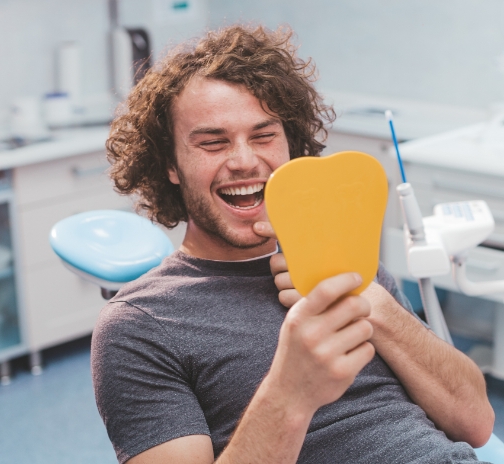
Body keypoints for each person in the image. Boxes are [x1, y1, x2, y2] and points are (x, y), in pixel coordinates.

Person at [91, 25, 494, 464]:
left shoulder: (344, 260)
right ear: (170, 163)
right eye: (213, 142)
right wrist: (292, 392)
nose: (245, 161)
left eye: (264, 137)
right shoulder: (138, 326)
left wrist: (371, 302)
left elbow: (476, 423)